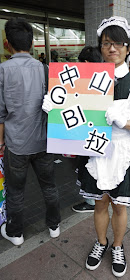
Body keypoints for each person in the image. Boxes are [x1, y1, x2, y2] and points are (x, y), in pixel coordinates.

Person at [78, 16, 130, 277]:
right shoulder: (86, 79)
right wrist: (56, 110)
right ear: (100, 47)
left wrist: (126, 123)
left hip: (123, 152)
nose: (111, 48)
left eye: (117, 43)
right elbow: (76, 115)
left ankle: (116, 245)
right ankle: (101, 242)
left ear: (128, 48)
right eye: (105, 43)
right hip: (94, 148)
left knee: (119, 205)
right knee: (99, 203)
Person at [0, 17, 61, 246]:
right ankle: (54, 225)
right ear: (33, 44)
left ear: (8, 44)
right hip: (44, 141)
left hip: (15, 144)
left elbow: (0, 114)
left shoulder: (2, 70)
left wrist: (0, 144)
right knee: (49, 185)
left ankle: (16, 233)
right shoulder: (45, 69)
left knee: (16, 191)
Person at [72, 46, 103, 213]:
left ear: (84, 62)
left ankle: (91, 201)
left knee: (87, 166)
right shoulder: (106, 78)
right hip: (101, 133)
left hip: (85, 132)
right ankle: (94, 199)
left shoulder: (82, 80)